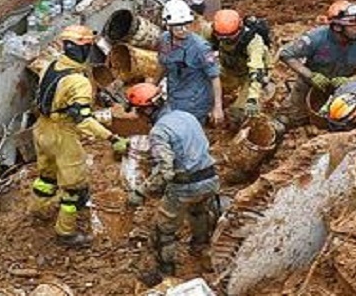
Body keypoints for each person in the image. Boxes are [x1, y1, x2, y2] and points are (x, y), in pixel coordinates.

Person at [30, 25, 129, 247]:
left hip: (41, 129)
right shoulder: (78, 81)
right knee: (73, 187)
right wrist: (112, 139)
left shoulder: (50, 65)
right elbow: (83, 120)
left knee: (47, 176)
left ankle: (38, 209)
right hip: (61, 135)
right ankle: (66, 233)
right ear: (84, 50)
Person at [126, 82, 220, 285]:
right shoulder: (186, 116)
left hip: (186, 186)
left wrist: (141, 191)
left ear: (147, 110)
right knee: (198, 212)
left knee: (164, 232)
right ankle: (200, 247)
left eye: (138, 112)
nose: (138, 117)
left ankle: (164, 273)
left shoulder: (159, 131)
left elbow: (166, 173)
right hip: (210, 179)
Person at [278, 1, 356, 127]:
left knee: (347, 120)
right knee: (292, 119)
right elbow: (286, 54)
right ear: (337, 27)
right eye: (353, 26)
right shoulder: (316, 37)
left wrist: (349, 80)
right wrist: (310, 75)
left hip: (344, 86)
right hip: (310, 84)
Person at [200, 8, 272, 125]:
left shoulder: (253, 42)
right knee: (203, 94)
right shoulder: (210, 31)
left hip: (249, 74)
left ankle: (263, 89)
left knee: (238, 115)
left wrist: (252, 99)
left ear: (240, 28)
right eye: (221, 38)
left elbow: (256, 70)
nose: (225, 40)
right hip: (228, 69)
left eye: (229, 37)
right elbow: (200, 51)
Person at [158, 0, 224, 127]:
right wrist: (153, 86)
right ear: (167, 25)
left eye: (186, 25)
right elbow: (163, 64)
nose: (183, 30)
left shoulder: (200, 48)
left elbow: (215, 77)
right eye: (178, 26)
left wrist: (218, 107)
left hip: (195, 102)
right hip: (174, 96)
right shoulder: (164, 40)